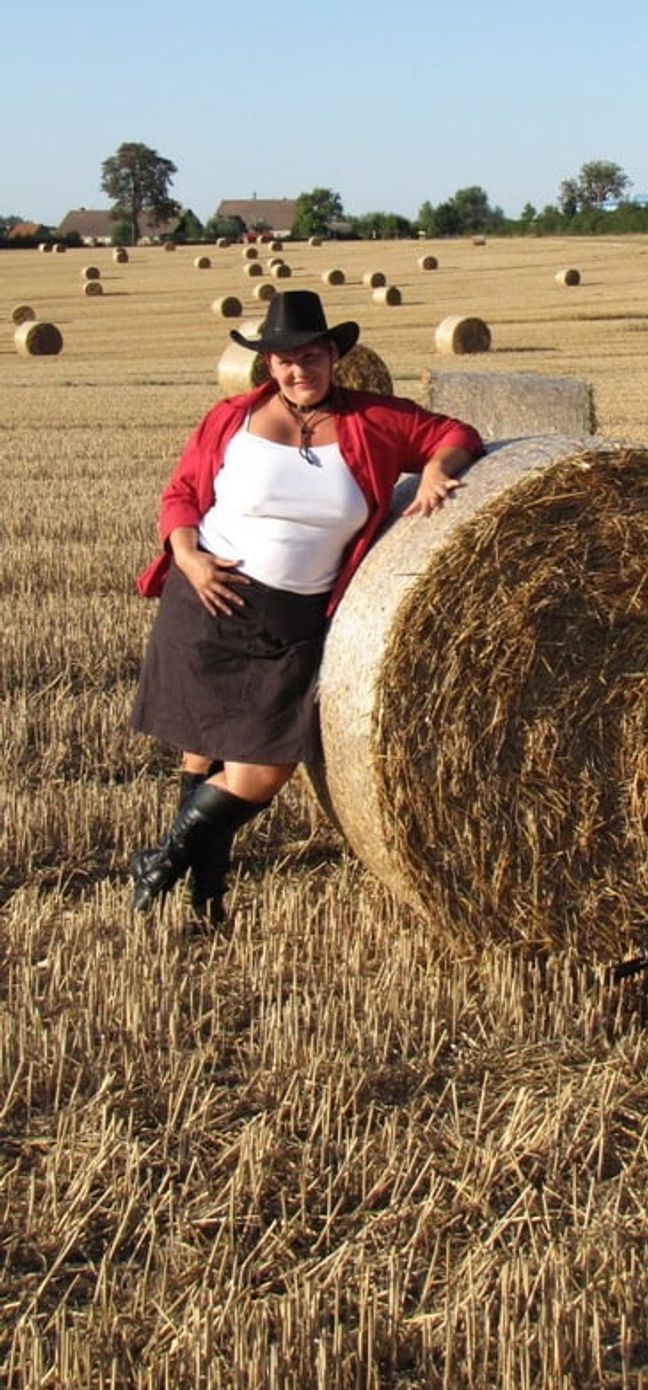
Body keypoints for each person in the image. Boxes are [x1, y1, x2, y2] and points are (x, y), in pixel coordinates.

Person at [130, 289, 484, 927]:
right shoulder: (230, 418)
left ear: (333, 357)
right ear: (268, 364)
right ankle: (207, 904)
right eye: (286, 359)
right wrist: (187, 556)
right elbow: (182, 493)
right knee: (202, 753)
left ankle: (162, 857)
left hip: (292, 621)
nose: (301, 369)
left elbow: (457, 433)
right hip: (209, 601)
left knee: (265, 766)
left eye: (313, 356)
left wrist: (436, 470)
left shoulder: (374, 419)